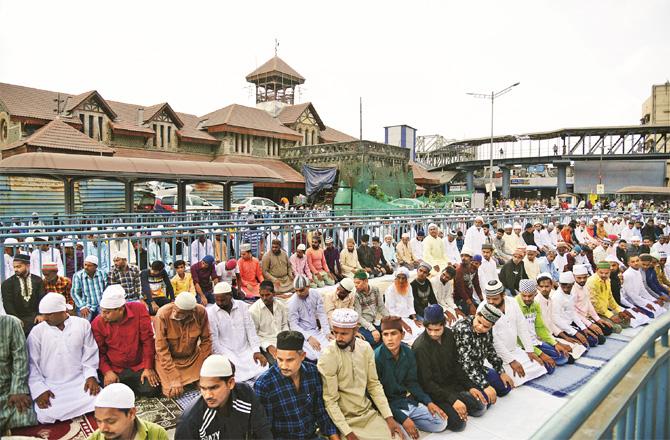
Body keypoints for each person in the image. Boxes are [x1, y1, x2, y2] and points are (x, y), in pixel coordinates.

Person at [317, 308, 403, 440]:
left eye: (344, 333)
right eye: (336, 332)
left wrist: (388, 417)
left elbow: (374, 385)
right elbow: (330, 401)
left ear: (356, 330)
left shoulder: (365, 348)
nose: (338, 338)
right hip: (346, 421)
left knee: (398, 437)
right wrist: (347, 433)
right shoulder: (328, 356)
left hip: (367, 414)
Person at [412, 305, 487, 432]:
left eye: (437, 329)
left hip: (454, 386)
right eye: (429, 330)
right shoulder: (420, 347)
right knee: (459, 424)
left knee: (481, 406)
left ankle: (462, 404)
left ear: (444, 324)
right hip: (436, 393)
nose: (433, 333)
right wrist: (453, 401)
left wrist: (470, 386)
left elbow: (457, 365)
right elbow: (427, 383)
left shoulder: (449, 335)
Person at [27, 293, 100, 423]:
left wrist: (90, 376)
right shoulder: (36, 332)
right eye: (43, 314)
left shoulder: (82, 324)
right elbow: (32, 365)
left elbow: (90, 353)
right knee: (45, 415)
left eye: (49, 314)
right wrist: (39, 390)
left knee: (99, 399)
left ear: (63, 311)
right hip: (52, 385)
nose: (44, 318)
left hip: (79, 381)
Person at [254, 331, 338, 440]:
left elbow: (320, 411)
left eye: (290, 360)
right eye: (280, 359)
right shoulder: (265, 384)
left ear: (302, 356)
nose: (283, 366)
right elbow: (265, 430)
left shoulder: (312, 372)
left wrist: (334, 437)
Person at [374, 316, 448, 438]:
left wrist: (428, 402)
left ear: (402, 335)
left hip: (406, 401)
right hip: (390, 408)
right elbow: (377, 396)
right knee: (403, 437)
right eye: (385, 335)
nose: (389, 339)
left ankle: (411, 422)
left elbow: (412, 383)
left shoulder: (408, 352)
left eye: (393, 334)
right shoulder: (376, 358)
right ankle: (405, 424)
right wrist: (403, 418)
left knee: (441, 423)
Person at [175, 354, 272, 439]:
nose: (208, 395)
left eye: (214, 388)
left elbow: (262, 430)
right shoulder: (190, 420)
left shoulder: (244, 395)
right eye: (203, 388)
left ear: (230, 383)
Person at [92, 285, 160, 397]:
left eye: (107, 312)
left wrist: (148, 367)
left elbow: (148, 341)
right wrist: (107, 371)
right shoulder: (97, 322)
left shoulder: (139, 309)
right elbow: (99, 351)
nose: (103, 316)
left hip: (139, 365)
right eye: (102, 311)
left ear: (121, 309)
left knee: (152, 389)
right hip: (115, 368)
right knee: (111, 394)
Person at [478, 280, 548, 387]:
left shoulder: (512, 302)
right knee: (516, 379)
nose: (491, 302)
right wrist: (511, 361)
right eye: (488, 298)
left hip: (514, 350)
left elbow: (522, 326)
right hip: (497, 356)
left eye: (495, 299)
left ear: (503, 295)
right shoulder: (483, 308)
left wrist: (530, 350)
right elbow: (493, 340)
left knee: (541, 367)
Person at [208, 282, 268, 383]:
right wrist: (224, 357)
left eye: (222, 300)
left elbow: (250, 329)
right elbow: (214, 341)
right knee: (234, 373)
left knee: (262, 367)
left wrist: (256, 350)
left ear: (230, 295)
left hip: (245, 348)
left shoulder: (242, 306)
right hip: (227, 351)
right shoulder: (211, 313)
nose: (219, 303)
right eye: (217, 300)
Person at [154, 292, 212, 398]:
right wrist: (173, 376)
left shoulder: (200, 312)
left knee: (206, 386)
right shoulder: (162, 314)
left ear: (191, 312)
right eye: (175, 309)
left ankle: (195, 378)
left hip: (193, 358)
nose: (175, 314)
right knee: (172, 393)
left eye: (181, 313)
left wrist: (203, 364)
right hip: (170, 360)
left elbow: (206, 340)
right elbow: (161, 349)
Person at [452, 303, 514, 399]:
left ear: (492, 326)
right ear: (476, 315)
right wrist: (485, 385)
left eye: (486, 327)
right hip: (462, 373)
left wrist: (501, 371)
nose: (480, 327)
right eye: (479, 322)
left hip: (478, 368)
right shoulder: (463, 329)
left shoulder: (488, 329)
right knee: (485, 400)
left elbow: (490, 350)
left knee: (505, 388)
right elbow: (467, 364)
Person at [515, 278, 569, 374]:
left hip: (535, 341)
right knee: (550, 368)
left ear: (535, 293)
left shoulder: (535, 304)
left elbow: (540, 328)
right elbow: (518, 337)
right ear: (520, 293)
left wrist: (555, 343)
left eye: (530, 296)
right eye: (524, 296)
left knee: (563, 357)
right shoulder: (514, 305)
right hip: (521, 345)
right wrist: (541, 354)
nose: (527, 299)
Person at [90, 383, 168, 440]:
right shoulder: (94, 438)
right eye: (99, 421)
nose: (103, 428)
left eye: (111, 421)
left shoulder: (156, 434)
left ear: (131, 414)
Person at [0, 314, 37, 433]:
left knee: (26, 418)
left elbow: (20, 357)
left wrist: (18, 389)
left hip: (8, 390)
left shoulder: (10, 323)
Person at [287, 275, 332, 360]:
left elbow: (321, 313)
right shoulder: (292, 302)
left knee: (331, 348)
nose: (298, 293)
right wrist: (308, 338)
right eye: (296, 291)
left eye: (301, 290)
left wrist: (327, 332)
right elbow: (293, 325)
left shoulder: (315, 294)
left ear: (308, 287)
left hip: (315, 330)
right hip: (302, 334)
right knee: (313, 356)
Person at [2, 253, 45, 335]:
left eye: (19, 266)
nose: (15, 269)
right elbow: (8, 304)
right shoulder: (7, 283)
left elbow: (41, 298)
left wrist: (40, 314)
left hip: (36, 318)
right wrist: (15, 319)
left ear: (27, 266)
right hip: (18, 319)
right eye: (14, 267)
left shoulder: (38, 280)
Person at [249, 281, 290, 364]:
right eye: (262, 295)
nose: (264, 298)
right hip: (266, 343)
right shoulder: (253, 311)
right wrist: (268, 346)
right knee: (278, 362)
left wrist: (286, 338)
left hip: (282, 340)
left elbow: (284, 324)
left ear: (274, 294)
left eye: (267, 295)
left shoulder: (280, 305)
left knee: (296, 356)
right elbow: (254, 335)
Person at [586, 262, 635, 329]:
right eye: (601, 273)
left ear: (610, 271)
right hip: (594, 313)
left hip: (604, 311)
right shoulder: (591, 282)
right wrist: (610, 315)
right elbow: (595, 304)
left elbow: (610, 298)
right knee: (617, 328)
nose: (604, 275)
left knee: (626, 321)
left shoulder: (607, 280)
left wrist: (619, 310)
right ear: (596, 270)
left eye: (606, 273)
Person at [572, 264, 615, 340]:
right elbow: (573, 312)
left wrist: (598, 319)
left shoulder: (585, 286)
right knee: (600, 340)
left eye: (584, 277)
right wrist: (589, 324)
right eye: (579, 278)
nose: (582, 280)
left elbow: (589, 304)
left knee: (608, 329)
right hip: (576, 319)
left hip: (586, 317)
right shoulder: (573, 290)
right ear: (574, 277)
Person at [384, 267, 424, 345]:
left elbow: (410, 303)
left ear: (407, 279)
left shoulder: (408, 287)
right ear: (395, 277)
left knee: (422, 329)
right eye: (398, 277)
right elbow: (391, 311)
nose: (401, 280)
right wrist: (404, 324)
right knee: (407, 334)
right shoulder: (390, 289)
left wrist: (415, 318)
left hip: (406, 318)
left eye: (403, 278)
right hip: (394, 319)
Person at [353, 270, 390, 347]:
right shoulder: (356, 295)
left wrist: (389, 319)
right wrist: (372, 329)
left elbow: (381, 307)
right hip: (364, 325)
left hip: (374, 322)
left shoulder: (375, 290)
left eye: (358, 283)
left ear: (366, 281)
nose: (356, 285)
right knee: (373, 339)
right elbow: (358, 317)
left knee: (391, 331)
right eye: (355, 283)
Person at [71, 255, 108, 323]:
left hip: (101, 305)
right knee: (84, 325)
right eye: (85, 265)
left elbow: (107, 289)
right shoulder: (78, 275)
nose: (86, 267)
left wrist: (105, 304)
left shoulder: (102, 273)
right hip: (86, 306)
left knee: (104, 323)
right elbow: (75, 293)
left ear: (95, 266)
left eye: (89, 265)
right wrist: (82, 306)